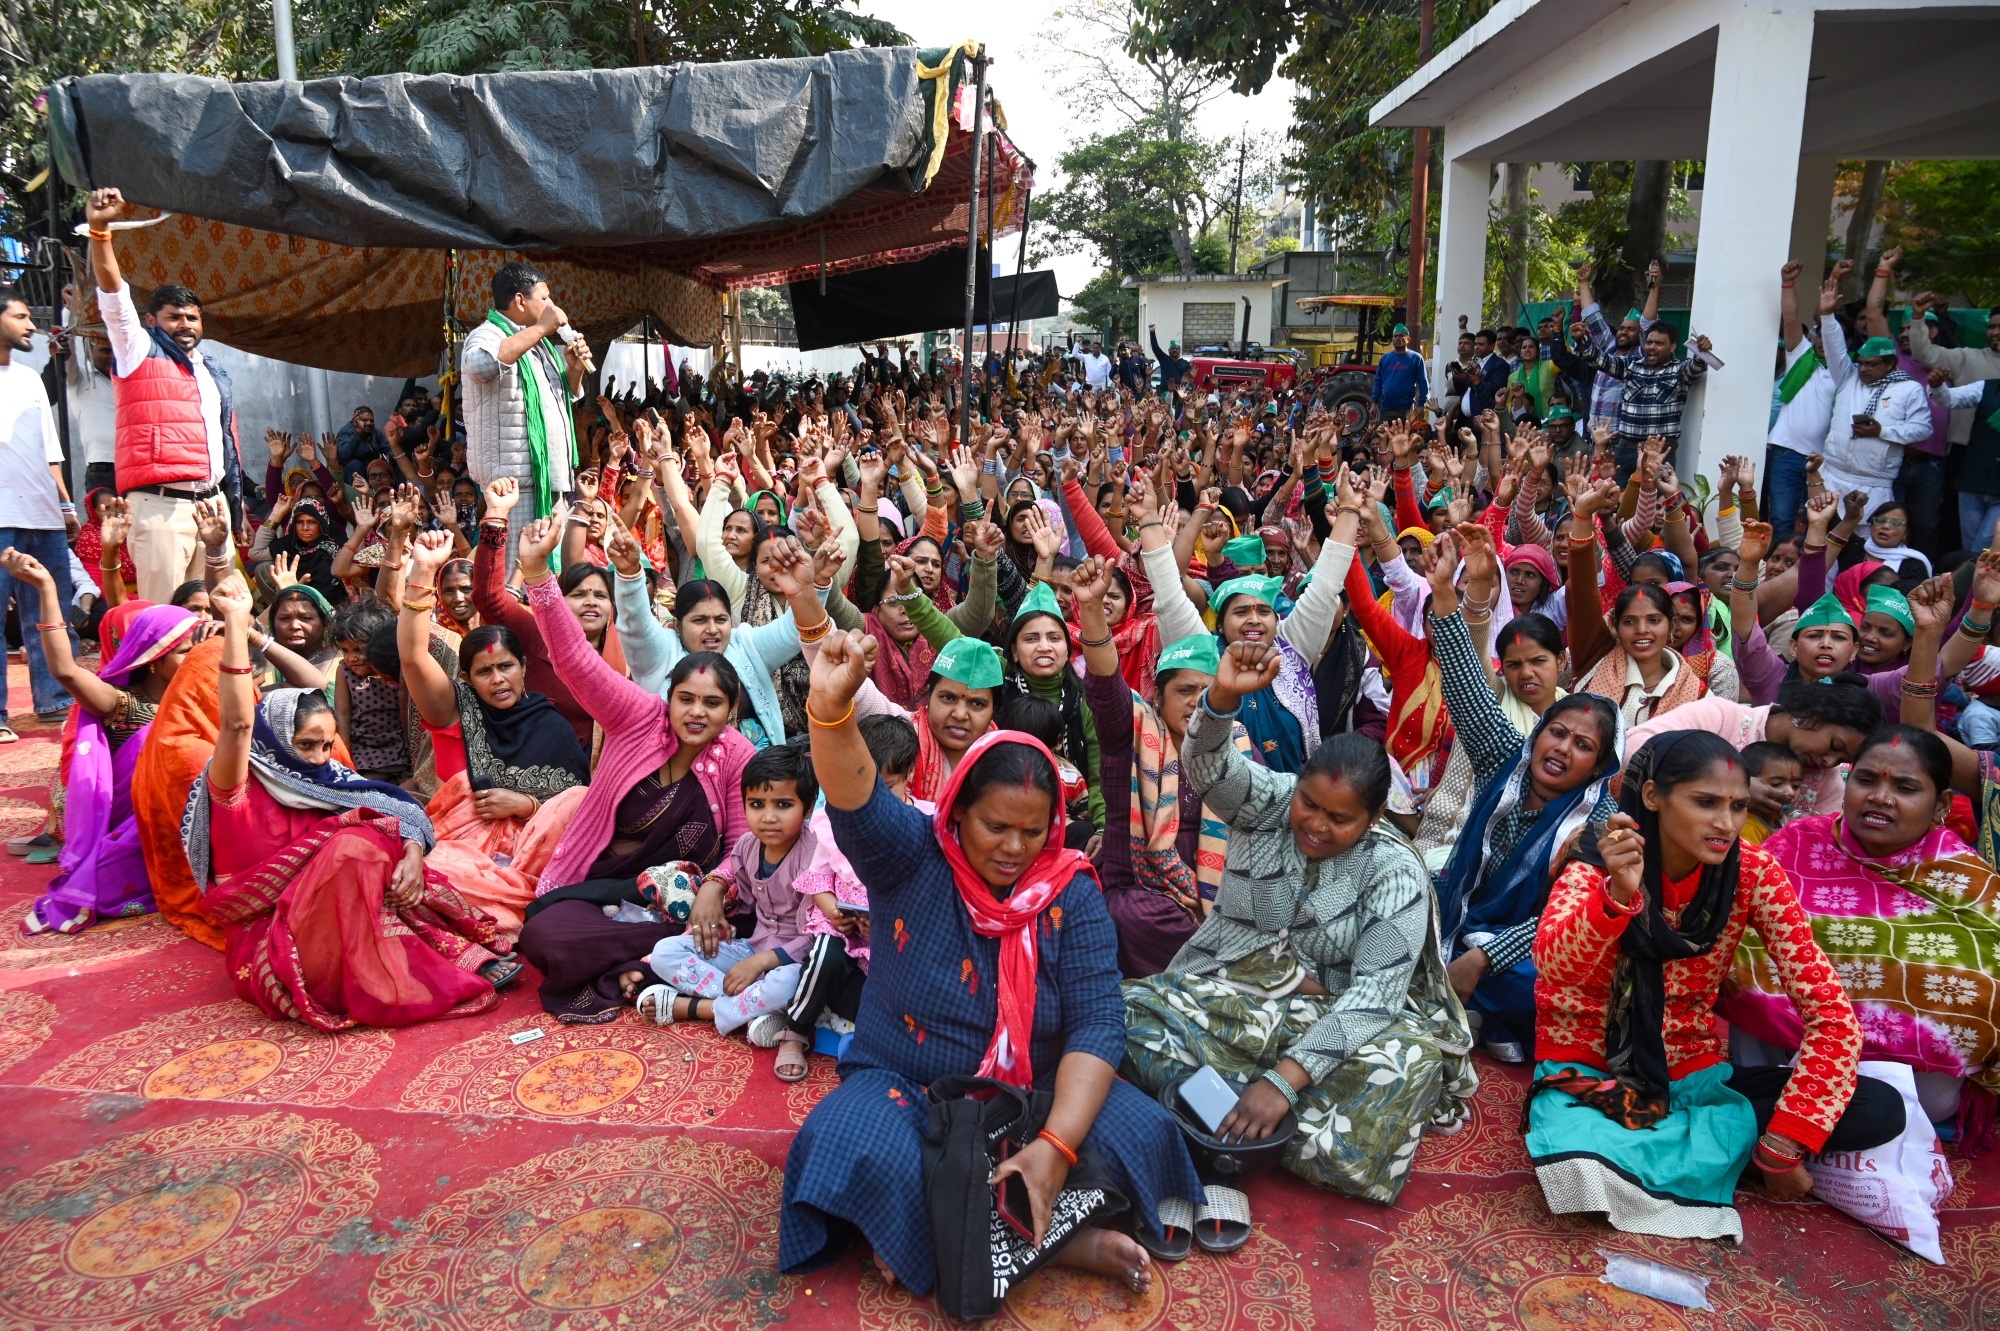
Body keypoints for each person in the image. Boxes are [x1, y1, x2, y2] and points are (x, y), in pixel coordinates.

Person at [782, 625, 1202, 1297]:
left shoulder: (1070, 888)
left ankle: (948, 1230)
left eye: (1032, 831)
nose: (1014, 848)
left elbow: (1097, 1024)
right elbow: (856, 801)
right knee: (845, 1140)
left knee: (1143, 1132)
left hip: (1030, 1095)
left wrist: (1057, 1146)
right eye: (995, 827)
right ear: (956, 812)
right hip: (908, 1087)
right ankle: (1060, 1240)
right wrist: (830, 714)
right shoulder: (911, 852)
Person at [1122, 639, 1475, 1238]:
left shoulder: (1394, 868)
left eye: (1340, 819)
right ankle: (1235, 1137)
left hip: (1330, 1015)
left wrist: (1284, 1081)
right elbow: (1209, 767)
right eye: (1310, 804)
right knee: (1125, 1013)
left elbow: (1375, 998)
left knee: (1410, 1063)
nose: (1316, 824)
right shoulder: (1268, 802)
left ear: (1375, 818)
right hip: (1226, 989)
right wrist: (1224, 697)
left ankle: (1207, 1124)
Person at [1528, 731, 1895, 1243]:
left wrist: (1785, 1145)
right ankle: (1706, 1147)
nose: (1726, 824)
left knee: (1880, 1108)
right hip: (1591, 1065)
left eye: (1737, 806)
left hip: (1691, 1069)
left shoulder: (1753, 872)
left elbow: (1831, 1015)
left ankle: (1689, 1146)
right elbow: (1555, 968)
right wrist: (1617, 895)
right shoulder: (1598, 857)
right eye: (1706, 803)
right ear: (1653, 796)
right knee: (1579, 1159)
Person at [183, 575, 519, 1031]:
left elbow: (400, 807)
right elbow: (239, 725)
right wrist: (239, 622)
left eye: (328, 744)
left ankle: (420, 962)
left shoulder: (320, 779)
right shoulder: (236, 789)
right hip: (276, 939)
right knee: (354, 845)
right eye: (307, 745)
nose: (322, 758)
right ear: (275, 742)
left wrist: (414, 855)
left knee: (371, 835)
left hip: (345, 915)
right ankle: (401, 977)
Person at [513, 514, 757, 1024]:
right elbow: (577, 660)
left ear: (730, 711)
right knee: (543, 933)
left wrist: (714, 889)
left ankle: (642, 960)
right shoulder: (637, 717)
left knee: (727, 925)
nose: (696, 712)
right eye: (685, 699)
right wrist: (538, 575)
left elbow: (741, 845)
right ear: (667, 700)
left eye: (711, 703)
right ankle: (643, 963)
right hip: (603, 887)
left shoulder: (736, 755)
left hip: (682, 903)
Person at [1424, 536, 1624, 1066]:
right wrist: (1446, 590)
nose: (1561, 748)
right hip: (1455, 913)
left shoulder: (1597, 821)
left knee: (1551, 983)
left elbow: (1565, 917)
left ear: (1601, 766)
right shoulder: (1503, 759)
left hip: (1524, 950)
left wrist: (1484, 957)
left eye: (1583, 746)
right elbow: (1467, 685)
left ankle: (1465, 1003)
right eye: (1557, 733)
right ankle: (1459, 1003)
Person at [1745, 716, 2000, 1131]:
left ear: (1941, 805)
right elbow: (1736, 930)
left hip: (1913, 1082)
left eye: (1905, 787)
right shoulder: (1796, 843)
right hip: (1782, 1052)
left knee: (1903, 1108)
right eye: (1865, 780)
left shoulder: (1966, 878)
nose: (1880, 797)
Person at [398, 530, 590, 942]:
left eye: (506, 667)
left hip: (531, 855)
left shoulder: (548, 720)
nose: (498, 679)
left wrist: (527, 804)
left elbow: (574, 807)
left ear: (523, 667)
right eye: (485, 672)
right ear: (467, 678)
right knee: (441, 861)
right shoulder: (457, 708)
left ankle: (486, 910)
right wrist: (422, 572)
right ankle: (507, 912)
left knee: (578, 800)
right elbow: (413, 658)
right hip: (463, 853)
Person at [5, 549, 197, 935]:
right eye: (183, 651)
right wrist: (46, 587)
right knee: (108, 888)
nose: (195, 658)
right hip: (136, 838)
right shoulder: (125, 705)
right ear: (155, 659)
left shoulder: (201, 698)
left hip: (193, 827)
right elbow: (65, 670)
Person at [82, 188, 246, 604]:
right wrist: (100, 231)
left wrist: (235, 506)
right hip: (160, 508)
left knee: (220, 613)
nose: (186, 323)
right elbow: (114, 298)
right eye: (174, 317)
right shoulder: (137, 349)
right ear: (152, 320)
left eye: (193, 317)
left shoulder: (212, 371)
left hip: (212, 507)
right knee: (165, 620)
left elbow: (226, 445)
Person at [626, 741, 828, 1036]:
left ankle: (697, 1008)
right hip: (752, 951)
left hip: (792, 961)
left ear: (808, 807)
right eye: (757, 804)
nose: (768, 817)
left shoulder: (812, 856)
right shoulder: (747, 846)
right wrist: (721, 914)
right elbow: (745, 900)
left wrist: (762, 961)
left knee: (790, 982)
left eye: (783, 805)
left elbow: (817, 937)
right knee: (664, 952)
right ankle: (751, 1009)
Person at [475, 478, 627, 752]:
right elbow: (490, 598)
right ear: (558, 602)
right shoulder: (537, 635)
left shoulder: (627, 651)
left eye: (600, 596)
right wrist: (496, 517)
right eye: (579, 595)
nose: (591, 602)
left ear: (612, 607)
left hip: (611, 776)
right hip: (539, 766)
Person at [461, 262, 589, 565]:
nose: (551, 306)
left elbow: (563, 397)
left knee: (547, 576)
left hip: (550, 478)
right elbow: (479, 366)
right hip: (515, 484)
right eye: (544, 298)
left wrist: (575, 368)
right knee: (517, 575)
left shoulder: (538, 343)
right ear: (520, 300)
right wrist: (542, 328)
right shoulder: (487, 334)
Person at [1624, 676, 1882, 820]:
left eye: (1842, 759)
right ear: (1813, 713)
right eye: (1834, 745)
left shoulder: (1826, 781)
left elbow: (1824, 839)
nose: (1829, 761)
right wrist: (1735, 787)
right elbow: (1635, 751)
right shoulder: (1722, 717)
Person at [0, 286, 79, 737]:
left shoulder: (30, 379)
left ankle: (54, 701)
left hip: (43, 519)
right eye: (21, 316)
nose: (31, 324)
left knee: (51, 614)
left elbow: (51, 454)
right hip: (1, 520)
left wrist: (64, 505)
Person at [1816, 270, 1929, 514]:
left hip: (1875, 482)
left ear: (1890, 364)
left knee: (1863, 544)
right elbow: (1835, 348)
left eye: (1871, 364)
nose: (1863, 368)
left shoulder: (1909, 389)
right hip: (1832, 475)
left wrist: (1882, 431)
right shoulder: (1849, 377)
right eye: (1862, 361)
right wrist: (1827, 315)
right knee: (1820, 537)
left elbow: (1923, 429)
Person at [1904, 292, 2000, 551]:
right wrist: (1918, 318)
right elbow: (1924, 353)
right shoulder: (1969, 357)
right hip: (1966, 458)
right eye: (1992, 326)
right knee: (1954, 528)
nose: (1995, 332)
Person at [1739, 741, 1804, 845]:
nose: (1791, 793)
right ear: (1752, 784)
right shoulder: (1748, 827)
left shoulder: (1782, 819)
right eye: (1777, 784)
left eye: (1795, 786)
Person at [1373, 325, 1429, 419]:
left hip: (1406, 409)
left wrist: (1421, 405)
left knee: (1405, 433)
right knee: (1385, 434)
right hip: (1386, 409)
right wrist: (1373, 403)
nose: (1397, 338)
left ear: (1408, 339)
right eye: (1395, 336)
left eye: (1401, 336)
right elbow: (1378, 382)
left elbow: (1423, 382)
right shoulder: (1385, 359)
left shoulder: (1416, 358)